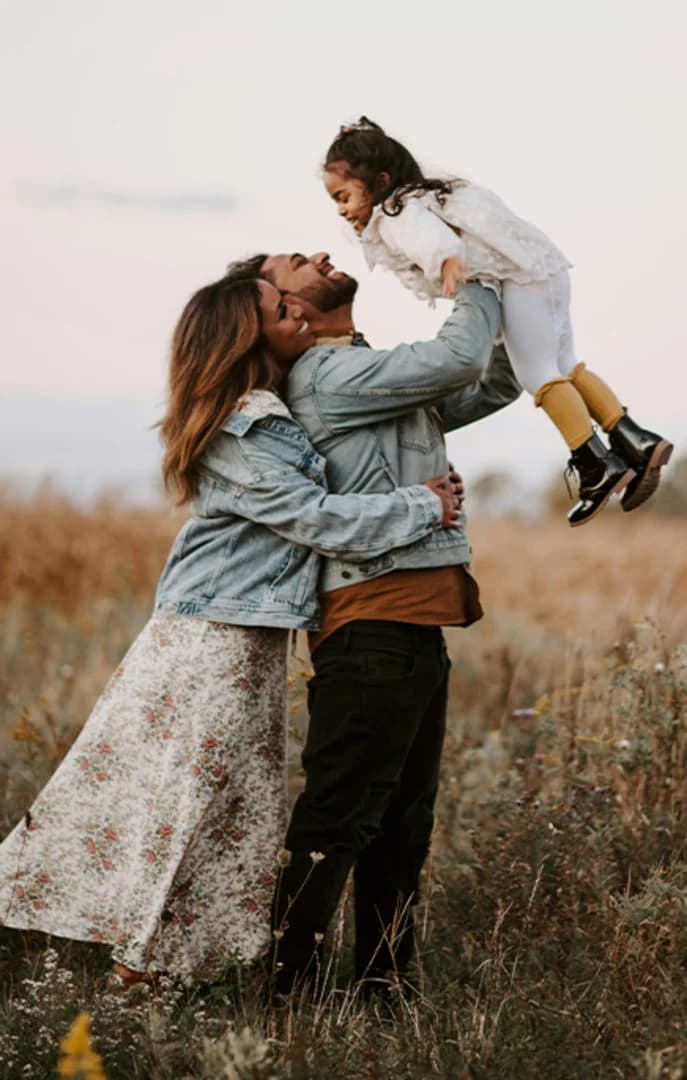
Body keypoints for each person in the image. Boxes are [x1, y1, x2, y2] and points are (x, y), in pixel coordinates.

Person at [0, 274, 462, 986]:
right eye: (282, 310)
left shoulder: (276, 407)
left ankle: (171, 958)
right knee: (192, 798)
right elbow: (313, 517)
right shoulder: (240, 426)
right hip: (211, 635)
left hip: (245, 637)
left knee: (220, 806)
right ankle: (144, 964)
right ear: (248, 336)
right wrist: (419, 507)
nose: (296, 312)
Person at [230, 248, 521, 995]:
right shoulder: (327, 376)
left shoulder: (361, 373)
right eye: (291, 267)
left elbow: (490, 378)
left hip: (407, 621)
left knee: (399, 825)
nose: (318, 256)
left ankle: (383, 990)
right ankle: (287, 994)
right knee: (338, 821)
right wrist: (480, 270)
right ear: (283, 312)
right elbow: (458, 357)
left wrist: (535, 316)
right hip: (371, 622)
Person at [321, 116, 673, 527]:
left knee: (538, 376)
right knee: (567, 366)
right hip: (544, 268)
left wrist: (447, 262)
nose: (342, 211)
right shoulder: (431, 196)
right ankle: (635, 439)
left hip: (516, 280)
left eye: (343, 196)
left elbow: (428, 239)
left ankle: (595, 463)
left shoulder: (396, 214)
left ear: (379, 182)